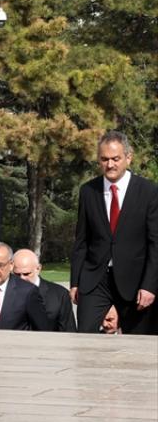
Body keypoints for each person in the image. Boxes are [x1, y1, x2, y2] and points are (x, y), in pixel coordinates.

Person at [70, 131, 157, 335]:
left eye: (115, 159)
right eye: (104, 159)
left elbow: (155, 243)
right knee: (85, 340)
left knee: (139, 346)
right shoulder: (88, 192)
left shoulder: (149, 192)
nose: (110, 165)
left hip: (135, 282)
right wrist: (75, 282)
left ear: (128, 157)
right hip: (95, 280)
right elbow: (81, 241)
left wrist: (150, 285)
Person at [12, 248, 75, 332]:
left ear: (38, 269)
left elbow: (68, 330)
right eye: (17, 274)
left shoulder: (60, 295)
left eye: (26, 274)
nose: (22, 278)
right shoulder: (5, 292)